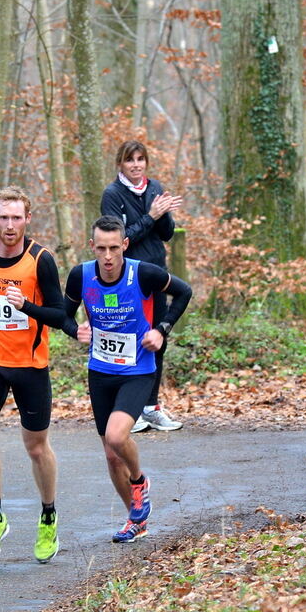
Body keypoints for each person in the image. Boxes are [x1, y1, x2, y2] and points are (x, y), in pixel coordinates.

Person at [63, 215, 191, 543]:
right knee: (109, 453)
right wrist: (75, 329)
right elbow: (65, 312)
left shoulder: (143, 272)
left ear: (125, 245)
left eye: (113, 249)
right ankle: (135, 520)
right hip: (101, 371)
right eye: (101, 249)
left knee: (117, 437)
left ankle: (139, 481)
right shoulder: (81, 275)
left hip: (138, 370)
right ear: (92, 246)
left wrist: (161, 331)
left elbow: (184, 292)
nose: (107, 257)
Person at [0, 186, 65, 563]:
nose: (10, 225)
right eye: (3, 217)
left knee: (36, 447)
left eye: (16, 218)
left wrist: (29, 306)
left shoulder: (41, 260)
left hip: (30, 366)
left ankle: (48, 516)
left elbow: (60, 314)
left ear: (28, 219)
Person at [100, 140, 183, 432]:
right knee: (130, 340)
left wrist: (161, 214)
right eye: (130, 160)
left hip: (155, 273)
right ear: (120, 164)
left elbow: (168, 233)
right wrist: (151, 215)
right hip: (127, 278)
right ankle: (126, 411)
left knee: (156, 339)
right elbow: (120, 239)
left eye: (140, 159)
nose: (136, 165)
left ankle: (150, 407)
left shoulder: (154, 187)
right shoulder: (112, 194)